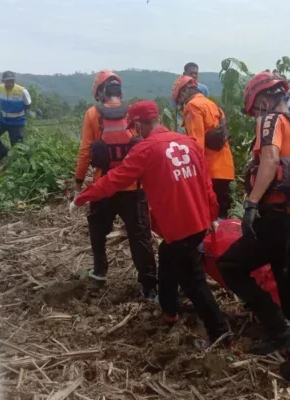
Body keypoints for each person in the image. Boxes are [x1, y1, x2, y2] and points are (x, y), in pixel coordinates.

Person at [70, 100, 230, 344]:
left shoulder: (145, 150)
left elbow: (113, 180)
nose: (135, 132)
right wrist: (212, 216)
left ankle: (220, 333)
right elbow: (207, 184)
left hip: (180, 228)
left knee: (194, 281)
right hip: (198, 223)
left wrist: (82, 197)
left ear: (140, 124)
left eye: (135, 127)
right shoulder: (189, 143)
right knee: (167, 256)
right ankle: (169, 311)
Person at [218, 72, 290, 388]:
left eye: (255, 109)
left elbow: (269, 160)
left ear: (265, 101)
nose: (256, 116)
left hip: (281, 221)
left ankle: (277, 327)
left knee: (229, 265)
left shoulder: (272, 121)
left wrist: (252, 205)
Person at [73, 70, 157, 297]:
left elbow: (84, 152)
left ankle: (100, 271)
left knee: (97, 229)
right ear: (119, 91)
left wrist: (79, 183)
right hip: (133, 186)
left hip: (104, 186)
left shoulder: (93, 114)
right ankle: (149, 286)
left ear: (99, 93)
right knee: (140, 236)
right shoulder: (133, 113)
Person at [172, 75, 235, 218]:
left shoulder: (192, 106)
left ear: (183, 93)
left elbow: (196, 144)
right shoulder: (214, 106)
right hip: (225, 168)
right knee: (222, 214)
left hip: (209, 170)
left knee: (208, 217)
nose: (181, 103)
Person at [0, 71, 32, 161]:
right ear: (3, 81)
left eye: (12, 81)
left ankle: (17, 165)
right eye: (8, 81)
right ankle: (3, 151)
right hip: (2, 119)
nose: (10, 83)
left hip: (17, 122)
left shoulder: (22, 91)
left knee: (17, 147)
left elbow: (28, 105)